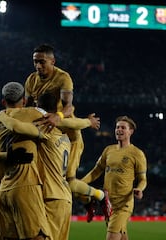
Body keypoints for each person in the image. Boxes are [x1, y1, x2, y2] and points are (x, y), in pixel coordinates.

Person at [0, 92, 101, 240]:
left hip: (51, 195)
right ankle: (98, 196)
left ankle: (99, 196)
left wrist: (2, 115)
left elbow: (17, 127)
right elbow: (74, 123)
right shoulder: (68, 135)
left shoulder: (46, 130)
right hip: (65, 196)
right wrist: (88, 122)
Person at [24, 43, 111, 221]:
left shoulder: (63, 78)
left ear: (52, 61)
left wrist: (59, 116)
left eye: (42, 62)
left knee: (68, 182)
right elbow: (26, 107)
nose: (38, 66)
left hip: (68, 137)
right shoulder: (31, 80)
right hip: (48, 137)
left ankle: (101, 196)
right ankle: (87, 201)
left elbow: (69, 107)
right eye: (35, 62)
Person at [0, 81, 49, 240]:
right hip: (25, 186)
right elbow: (55, 120)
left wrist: (6, 155)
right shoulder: (32, 114)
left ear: (3, 102)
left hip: (0, 189)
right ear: (24, 100)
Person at [81, 116, 147, 240]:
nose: (119, 130)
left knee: (112, 236)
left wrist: (139, 189)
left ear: (130, 131)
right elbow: (96, 171)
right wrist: (80, 183)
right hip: (108, 203)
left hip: (124, 203)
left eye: (123, 127)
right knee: (122, 235)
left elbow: (143, 178)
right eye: (117, 127)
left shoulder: (137, 153)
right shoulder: (108, 150)